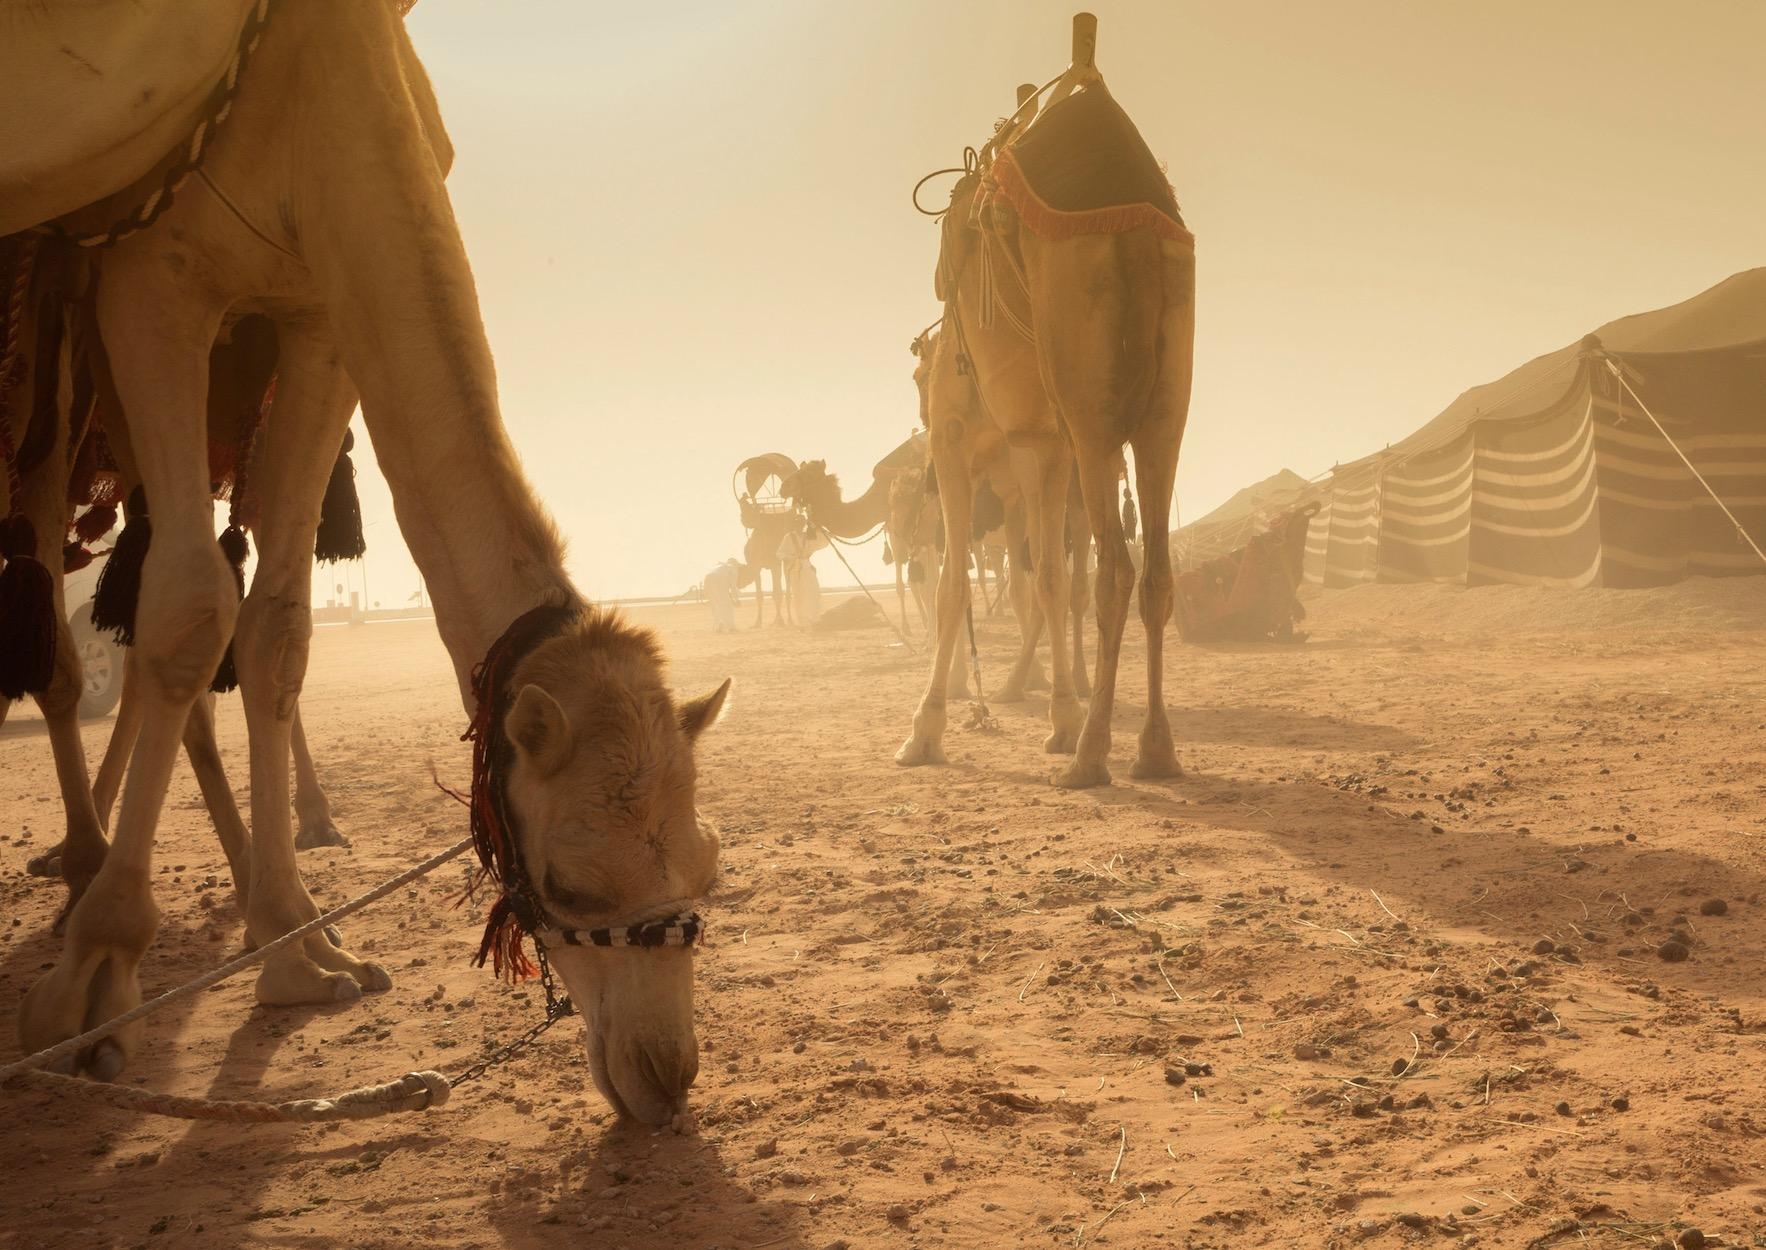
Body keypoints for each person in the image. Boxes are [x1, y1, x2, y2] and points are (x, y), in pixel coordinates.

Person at [778, 520, 827, 627]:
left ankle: (815, 618)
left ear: (803, 525)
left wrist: (817, 527)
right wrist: (789, 558)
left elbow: (822, 542)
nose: (799, 526)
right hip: (795, 568)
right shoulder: (788, 537)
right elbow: (780, 553)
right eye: (796, 524)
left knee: (814, 592)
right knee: (799, 594)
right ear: (794, 525)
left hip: (807, 565)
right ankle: (801, 621)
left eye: (801, 524)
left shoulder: (808, 535)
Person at [703, 558, 741, 633]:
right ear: (735, 565)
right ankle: (731, 627)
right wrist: (737, 600)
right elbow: (733, 587)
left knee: (716, 604)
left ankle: (719, 625)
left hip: (707, 578)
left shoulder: (719, 566)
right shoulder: (732, 569)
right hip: (717, 579)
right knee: (728, 605)